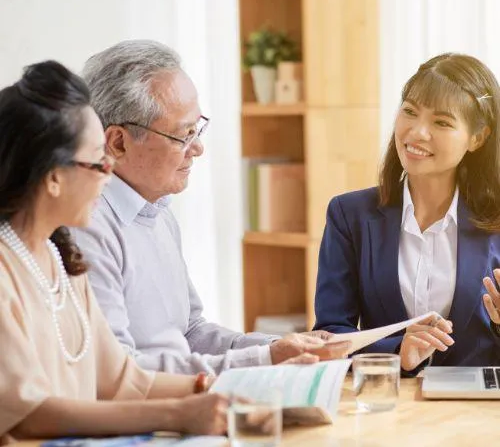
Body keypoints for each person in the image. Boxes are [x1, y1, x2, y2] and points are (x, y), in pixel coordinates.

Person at [0, 60, 252, 443]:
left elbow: (122, 380)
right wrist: (180, 412)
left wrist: (239, 387)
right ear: (52, 178)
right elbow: (28, 414)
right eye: (99, 161)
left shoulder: (59, 260)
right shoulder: (6, 269)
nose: (109, 172)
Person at [73, 39, 349, 376]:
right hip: (148, 415)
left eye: (197, 128)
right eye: (183, 135)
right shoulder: (86, 226)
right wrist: (264, 360)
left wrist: (279, 347)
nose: (198, 148)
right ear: (118, 142)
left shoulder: (158, 211)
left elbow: (191, 332)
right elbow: (118, 371)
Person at [314, 53, 500, 374]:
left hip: (478, 412)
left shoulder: (494, 221)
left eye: (441, 122)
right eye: (410, 112)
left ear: (477, 137)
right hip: (388, 404)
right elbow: (329, 335)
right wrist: (397, 349)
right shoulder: (349, 215)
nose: (417, 133)